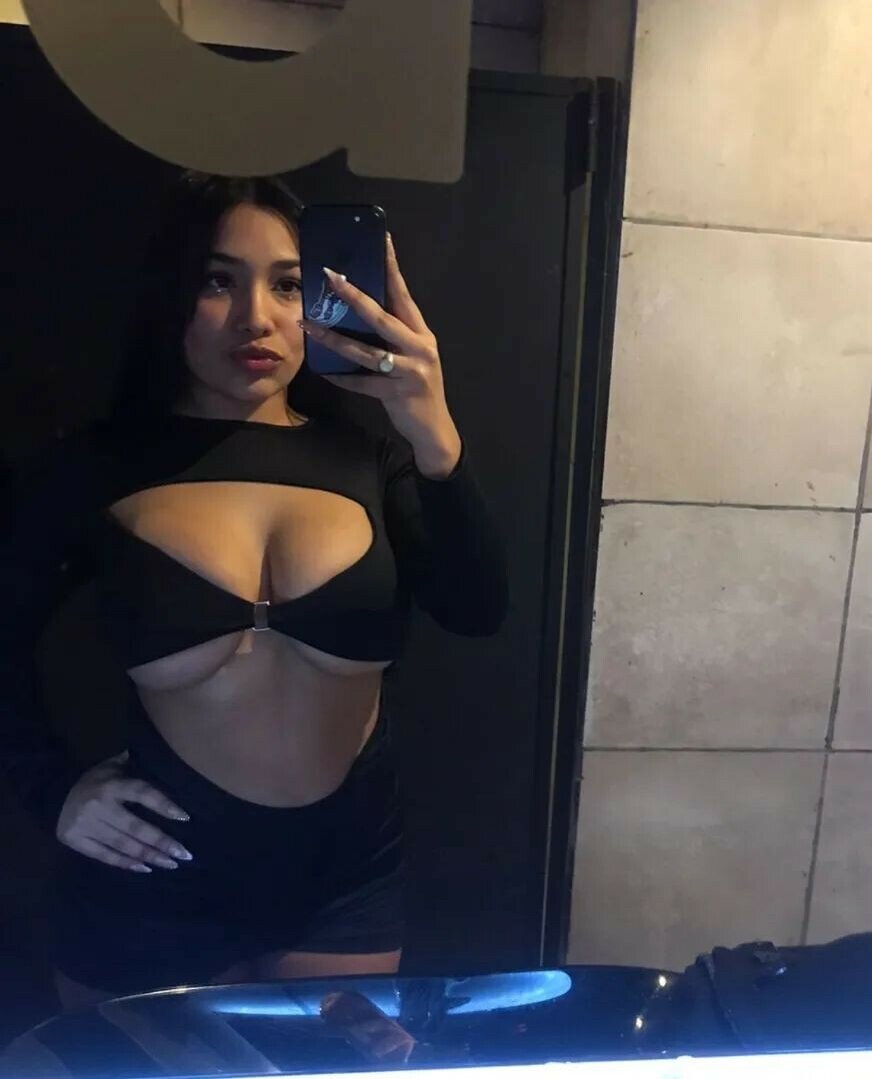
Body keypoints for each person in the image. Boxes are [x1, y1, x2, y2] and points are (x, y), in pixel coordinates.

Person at [0, 173, 509, 1009]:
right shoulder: (95, 466)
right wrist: (53, 791)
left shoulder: (372, 462)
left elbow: (478, 609)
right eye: (218, 280)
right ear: (171, 295)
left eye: (287, 285)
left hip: (346, 881)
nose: (256, 318)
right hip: (151, 882)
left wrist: (437, 438)